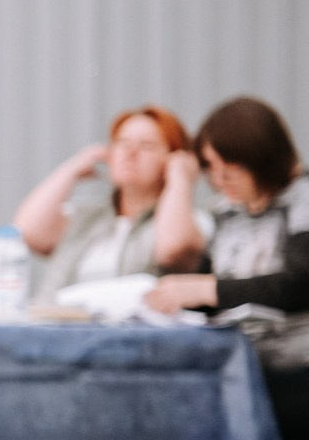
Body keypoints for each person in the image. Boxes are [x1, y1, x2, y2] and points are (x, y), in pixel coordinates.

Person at [146, 98, 309, 440]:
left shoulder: (302, 199)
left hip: (294, 365)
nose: (219, 179)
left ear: (261, 156)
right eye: (210, 167)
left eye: (230, 166)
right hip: (236, 362)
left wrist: (209, 289)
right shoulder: (228, 212)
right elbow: (202, 288)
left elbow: (300, 283)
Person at [13, 105, 210, 302]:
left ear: (173, 158)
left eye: (147, 145)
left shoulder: (194, 221)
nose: (130, 152)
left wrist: (181, 178)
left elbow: (173, 250)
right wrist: (72, 169)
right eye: (122, 142)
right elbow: (27, 231)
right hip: (56, 319)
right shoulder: (83, 217)